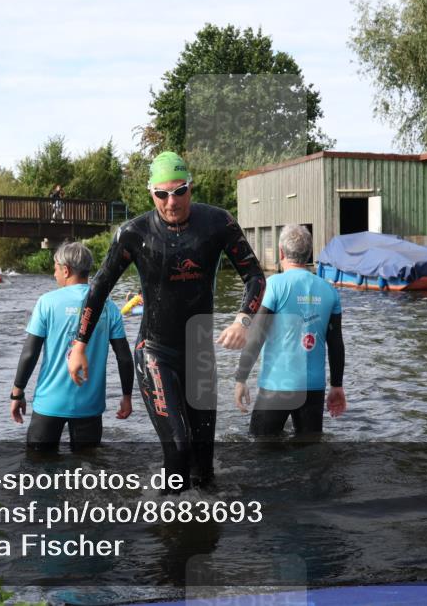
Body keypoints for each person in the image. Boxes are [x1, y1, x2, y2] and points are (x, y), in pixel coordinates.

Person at [68, 151, 265, 492]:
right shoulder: (134, 233)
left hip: (199, 354)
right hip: (155, 351)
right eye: (162, 194)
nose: (171, 202)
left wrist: (242, 321)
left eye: (179, 191)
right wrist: (79, 344)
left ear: (191, 188)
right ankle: (170, 527)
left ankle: (204, 535)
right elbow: (99, 287)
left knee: (203, 464)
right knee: (178, 446)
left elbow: (255, 276)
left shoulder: (218, 223)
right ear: (151, 193)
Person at [11, 242, 134, 452]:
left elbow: (30, 353)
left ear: (66, 270)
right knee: (88, 471)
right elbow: (123, 357)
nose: (54, 273)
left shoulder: (47, 302)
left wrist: (17, 393)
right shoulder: (108, 305)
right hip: (90, 406)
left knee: (39, 470)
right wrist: (126, 397)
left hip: (50, 403)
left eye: (56, 268)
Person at [234, 225, 346, 436]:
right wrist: (337, 386)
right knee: (310, 454)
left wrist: (241, 378)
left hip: (277, 385)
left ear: (281, 252)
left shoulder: (274, 285)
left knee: (260, 448)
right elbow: (336, 343)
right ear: (309, 253)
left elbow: (257, 336)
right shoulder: (330, 291)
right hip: (313, 388)